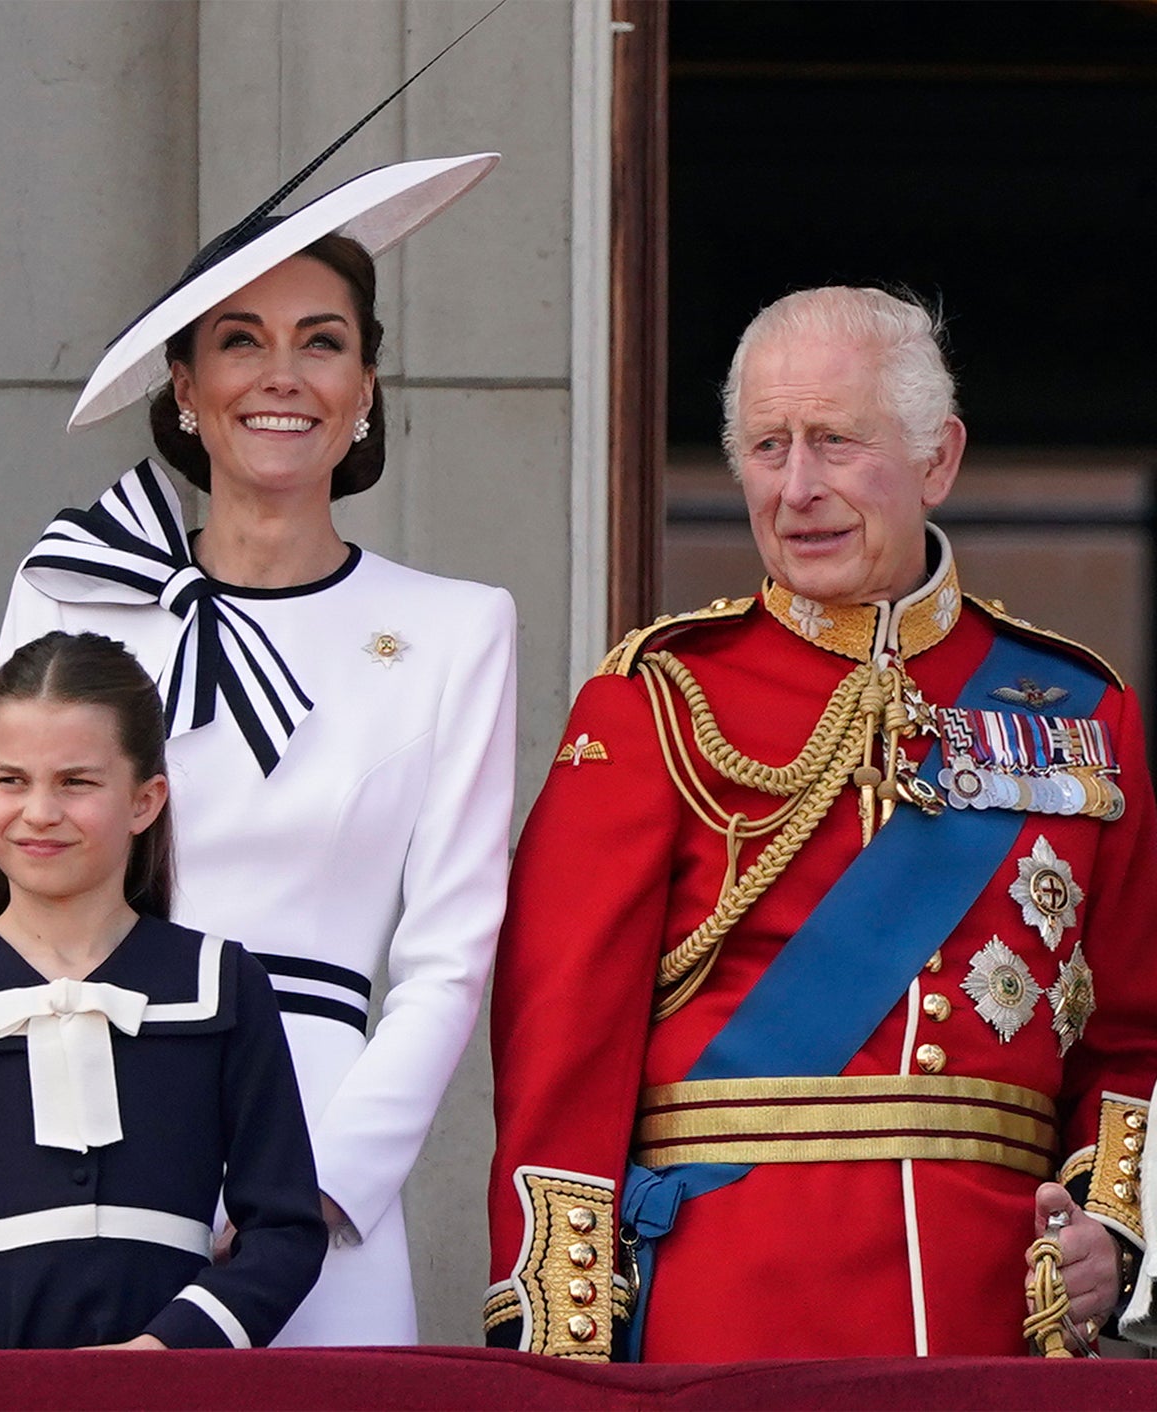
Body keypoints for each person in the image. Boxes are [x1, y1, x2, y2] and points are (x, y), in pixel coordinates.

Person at [486, 286, 1157, 1360]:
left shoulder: (1077, 708)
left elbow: (1128, 1032)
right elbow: (560, 1042)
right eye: (765, 445)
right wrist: (563, 1341)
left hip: (986, 1310)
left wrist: (1110, 1234)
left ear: (936, 459)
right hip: (722, 1297)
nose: (794, 488)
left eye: (834, 442)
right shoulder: (656, 696)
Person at [0, 153, 515, 1345]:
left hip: (316, 1136)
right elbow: (0, 898)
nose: (280, 376)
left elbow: (446, 956)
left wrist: (316, 1187)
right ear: (182, 382)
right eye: (238, 339)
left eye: (320, 341)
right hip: (87, 1116)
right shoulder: (74, 593)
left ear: (366, 383)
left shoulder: (454, 627)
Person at [0, 631, 325, 1348]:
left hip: (176, 1390)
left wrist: (171, 1351)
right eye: (11, 780)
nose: (39, 813)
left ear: (145, 800)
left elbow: (285, 1229)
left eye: (76, 782)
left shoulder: (223, 982)